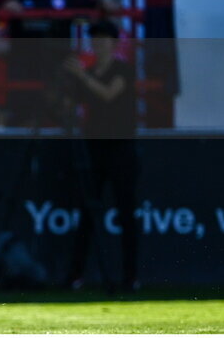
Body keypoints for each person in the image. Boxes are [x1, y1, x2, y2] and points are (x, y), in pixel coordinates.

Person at [61, 19, 139, 291]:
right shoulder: (89, 71)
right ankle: (75, 274)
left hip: (121, 148)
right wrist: (68, 83)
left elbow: (108, 94)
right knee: (87, 212)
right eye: (95, 40)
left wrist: (82, 76)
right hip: (94, 149)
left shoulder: (123, 70)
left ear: (114, 44)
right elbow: (69, 105)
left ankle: (130, 276)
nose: (99, 44)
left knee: (126, 213)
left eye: (105, 39)